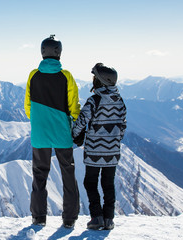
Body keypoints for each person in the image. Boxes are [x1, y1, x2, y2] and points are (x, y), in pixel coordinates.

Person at [24, 35, 81, 228]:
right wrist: (71, 122)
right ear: (59, 52)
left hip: (39, 133)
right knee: (68, 173)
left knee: (39, 174)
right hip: (62, 132)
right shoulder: (66, 76)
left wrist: (39, 120)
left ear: (42, 52)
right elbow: (74, 107)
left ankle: (38, 217)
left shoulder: (33, 75)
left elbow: (27, 106)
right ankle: (69, 218)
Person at [72, 63, 127, 230]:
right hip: (113, 151)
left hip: (94, 150)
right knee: (108, 184)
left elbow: (81, 122)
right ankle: (109, 218)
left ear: (101, 82)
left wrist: (75, 135)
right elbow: (123, 125)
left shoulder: (94, 100)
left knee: (90, 183)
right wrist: (114, 141)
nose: (93, 81)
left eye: (95, 78)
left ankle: (96, 217)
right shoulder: (120, 101)